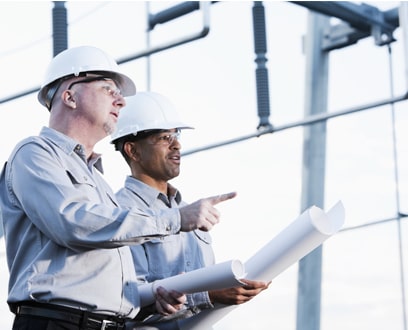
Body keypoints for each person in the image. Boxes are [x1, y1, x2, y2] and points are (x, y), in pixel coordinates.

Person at [0, 45, 236, 330]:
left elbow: (103, 279)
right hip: (56, 322)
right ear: (69, 96)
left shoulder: (99, 182)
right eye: (109, 90)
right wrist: (176, 220)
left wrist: (150, 299)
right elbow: (72, 223)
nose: (121, 102)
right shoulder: (34, 153)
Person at [110, 92, 270, 330]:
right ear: (133, 151)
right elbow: (125, 303)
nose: (177, 145)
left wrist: (231, 288)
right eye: (165, 137)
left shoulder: (189, 213)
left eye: (176, 135)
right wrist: (211, 296)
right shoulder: (118, 215)